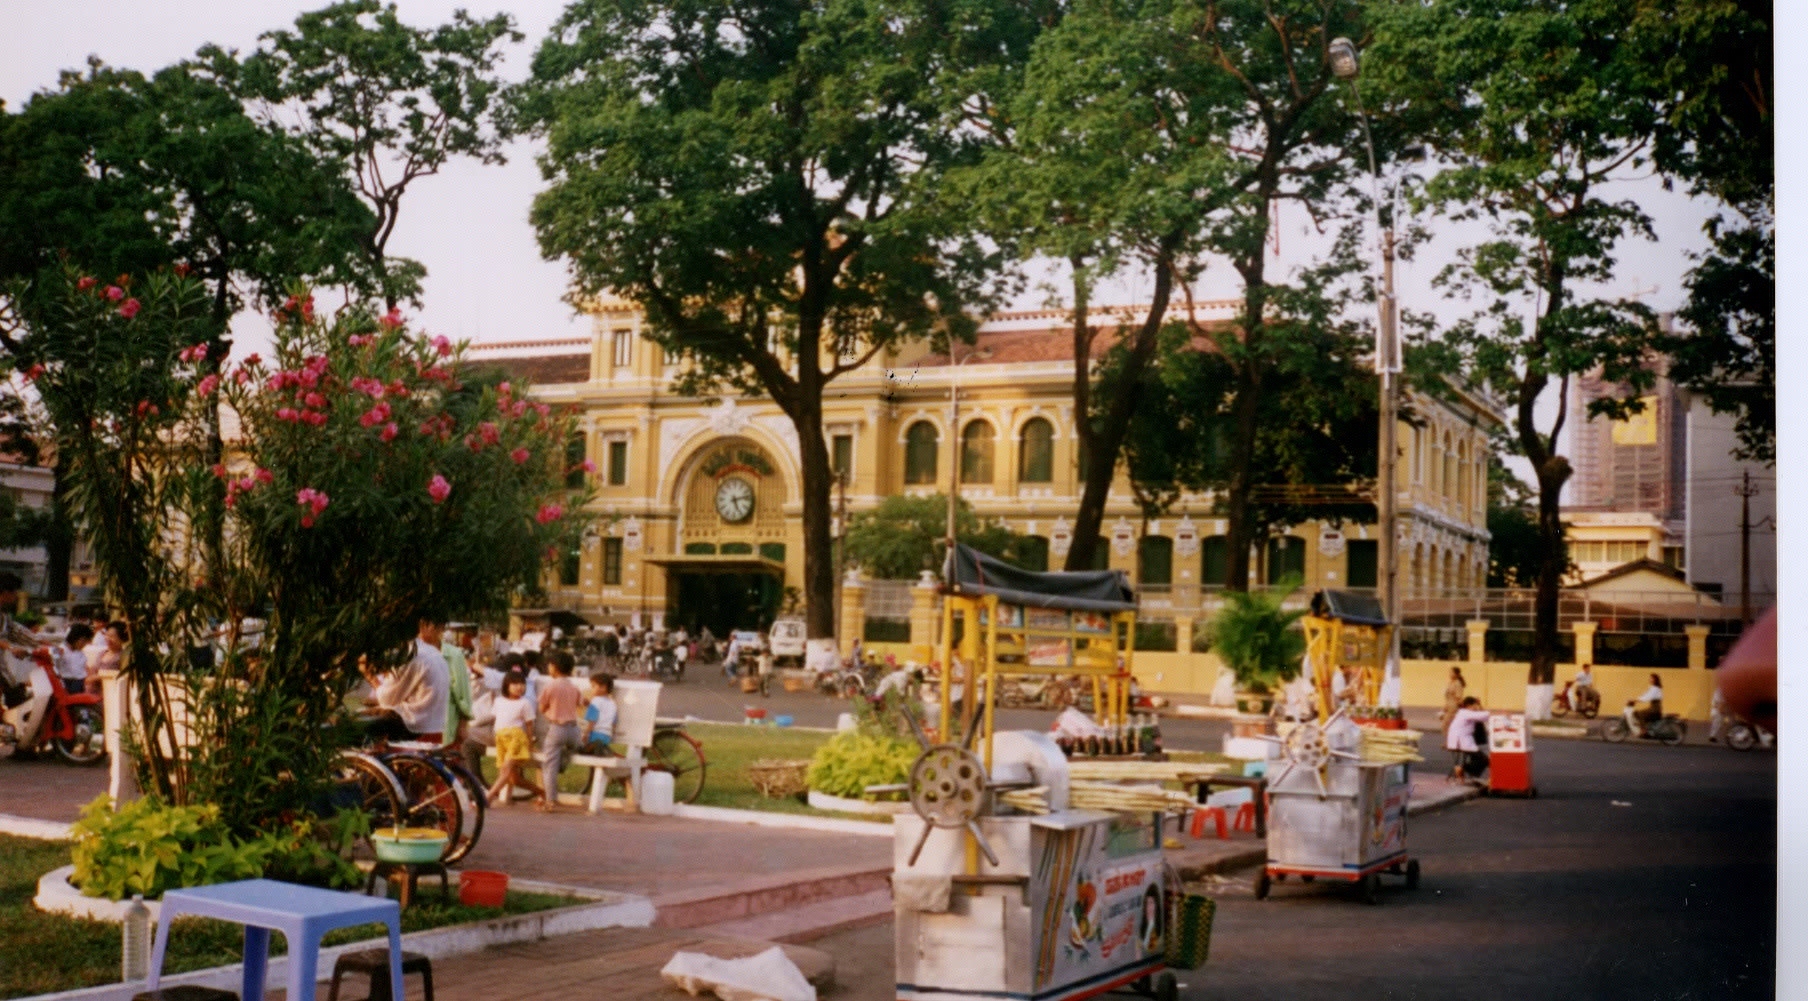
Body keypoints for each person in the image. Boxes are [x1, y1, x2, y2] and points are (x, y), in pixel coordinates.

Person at [362, 618, 451, 744]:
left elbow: (386, 699)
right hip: (435, 724)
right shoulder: (433, 652)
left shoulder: (409, 656)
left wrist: (369, 675)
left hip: (414, 726)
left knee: (354, 725)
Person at [486, 671, 544, 806]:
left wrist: (530, 744)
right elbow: (496, 720)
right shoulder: (499, 701)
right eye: (515, 684)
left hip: (516, 739)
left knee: (505, 769)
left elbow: (530, 726)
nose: (519, 687)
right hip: (501, 739)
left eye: (522, 684)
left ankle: (487, 797)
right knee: (513, 778)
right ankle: (541, 792)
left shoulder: (525, 703)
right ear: (506, 685)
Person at [536, 650, 583, 810]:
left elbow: (542, 708)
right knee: (568, 751)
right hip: (574, 731)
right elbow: (581, 702)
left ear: (554, 668)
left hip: (557, 729)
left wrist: (550, 714)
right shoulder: (573, 686)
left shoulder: (550, 686)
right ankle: (563, 761)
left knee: (549, 766)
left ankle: (551, 800)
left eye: (549, 665)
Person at [1445, 696, 1491, 782]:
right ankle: (1462, 769)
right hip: (1462, 742)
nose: (1476, 708)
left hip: (1461, 741)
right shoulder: (1466, 713)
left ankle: (1465, 771)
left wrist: (1479, 705)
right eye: (1475, 705)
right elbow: (1485, 715)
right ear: (1469, 705)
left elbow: (1481, 714)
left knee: (1480, 758)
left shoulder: (1464, 713)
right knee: (1485, 759)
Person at [55, 624, 94, 697]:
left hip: (79, 684)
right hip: (66, 683)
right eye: (83, 641)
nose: (84, 644)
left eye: (86, 642)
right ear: (75, 638)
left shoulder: (80, 652)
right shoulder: (61, 649)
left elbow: (83, 667)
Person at [582, 674, 618, 752]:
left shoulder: (595, 701)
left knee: (584, 750)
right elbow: (614, 722)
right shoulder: (613, 703)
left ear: (603, 687)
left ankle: (595, 747)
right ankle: (602, 749)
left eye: (593, 686)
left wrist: (586, 733)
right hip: (607, 735)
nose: (591, 689)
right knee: (598, 754)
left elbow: (592, 720)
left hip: (595, 734)